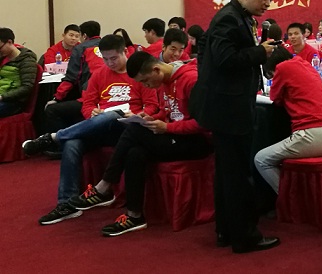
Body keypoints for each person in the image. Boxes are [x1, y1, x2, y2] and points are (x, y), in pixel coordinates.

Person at [67, 51, 210, 236]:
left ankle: (104, 185)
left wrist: (167, 127)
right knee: (135, 152)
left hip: (197, 142)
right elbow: (168, 112)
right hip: (176, 135)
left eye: (145, 81)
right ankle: (134, 215)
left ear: (156, 69)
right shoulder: (164, 82)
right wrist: (153, 117)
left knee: (134, 130)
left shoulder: (191, 80)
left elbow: (204, 123)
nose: (145, 86)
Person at [189, 0, 280, 254]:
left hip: (227, 105)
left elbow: (206, 51)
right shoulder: (228, 18)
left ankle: (226, 230)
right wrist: (260, 52)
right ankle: (244, 236)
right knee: (238, 174)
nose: (267, 4)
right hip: (230, 109)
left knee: (228, 174)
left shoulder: (238, 17)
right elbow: (225, 59)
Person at [27, 34, 160, 225]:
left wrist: (137, 114)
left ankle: (55, 137)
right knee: (72, 143)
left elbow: (152, 106)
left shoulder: (137, 73)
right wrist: (91, 113)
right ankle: (66, 204)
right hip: (100, 126)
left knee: (112, 115)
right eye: (105, 59)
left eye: (113, 58)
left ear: (125, 52)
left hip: (126, 129)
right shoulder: (99, 74)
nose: (110, 63)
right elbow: (87, 103)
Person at [254, 48, 322, 194]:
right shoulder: (305, 64)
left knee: (261, 160)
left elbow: (274, 98)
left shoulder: (282, 68)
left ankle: (289, 201)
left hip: (311, 135)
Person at [45, 20, 103, 131]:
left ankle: (61, 138)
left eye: (78, 36)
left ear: (84, 36)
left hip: (91, 97)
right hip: (110, 95)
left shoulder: (81, 48)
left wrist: (57, 98)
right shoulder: (108, 45)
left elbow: (72, 77)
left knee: (51, 110)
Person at [0, 28, 38, 117]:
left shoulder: (26, 60)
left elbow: (27, 87)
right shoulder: (2, 57)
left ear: (9, 42)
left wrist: (2, 97)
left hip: (13, 101)